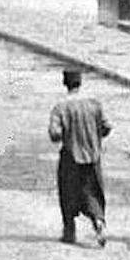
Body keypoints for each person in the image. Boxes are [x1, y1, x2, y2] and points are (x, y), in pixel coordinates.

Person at [47, 69, 111, 247]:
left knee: (68, 192)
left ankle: (69, 231)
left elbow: (54, 133)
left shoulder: (61, 107)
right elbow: (106, 127)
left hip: (71, 156)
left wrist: (68, 133)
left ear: (65, 83)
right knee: (92, 191)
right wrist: (93, 136)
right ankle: (98, 220)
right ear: (80, 82)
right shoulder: (94, 103)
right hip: (93, 156)